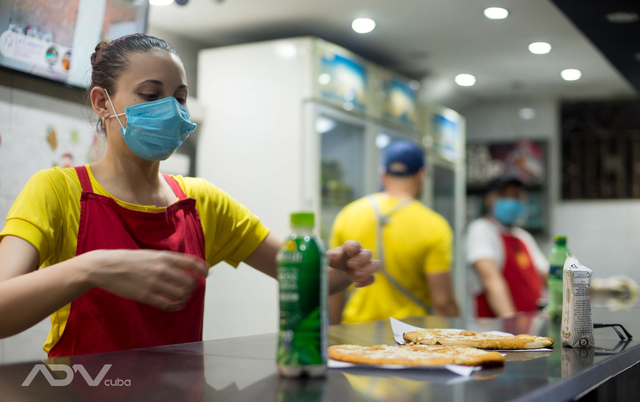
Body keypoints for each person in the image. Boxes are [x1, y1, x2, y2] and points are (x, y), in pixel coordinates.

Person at [0, 34, 378, 357]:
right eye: (151, 94)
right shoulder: (58, 190)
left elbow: (304, 276)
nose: (170, 110)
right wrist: (93, 267)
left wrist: (337, 269)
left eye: (179, 98)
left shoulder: (202, 202)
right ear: (102, 103)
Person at [329, 141, 459, 324]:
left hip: (355, 335)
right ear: (421, 175)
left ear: (383, 175)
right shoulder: (434, 225)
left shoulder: (348, 214)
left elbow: (334, 290)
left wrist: (334, 336)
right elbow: (443, 302)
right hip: (410, 339)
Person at [466, 176, 549, 318]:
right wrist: (511, 323)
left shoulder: (523, 237)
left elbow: (546, 275)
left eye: (517, 196)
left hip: (530, 330)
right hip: (497, 333)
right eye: (505, 195)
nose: (512, 201)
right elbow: (491, 281)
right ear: (490, 199)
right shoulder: (481, 230)